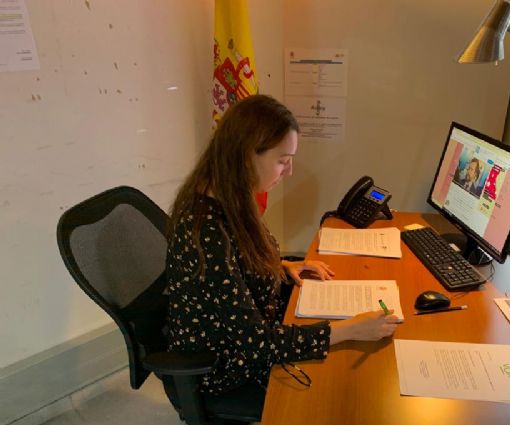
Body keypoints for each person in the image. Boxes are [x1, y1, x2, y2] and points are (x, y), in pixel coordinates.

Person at [165, 94, 399, 396]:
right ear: (247, 156)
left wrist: (278, 266)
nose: (289, 171)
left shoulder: (229, 194)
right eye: (282, 161)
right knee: (349, 384)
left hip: (252, 328)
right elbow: (256, 344)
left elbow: (233, 268)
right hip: (224, 364)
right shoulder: (206, 229)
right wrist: (349, 329)